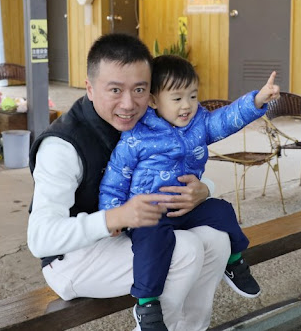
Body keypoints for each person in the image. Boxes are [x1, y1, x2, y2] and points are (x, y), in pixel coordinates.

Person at [28, 33, 231, 331]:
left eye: (139, 89)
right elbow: (40, 239)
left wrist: (205, 190)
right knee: (184, 249)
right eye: (115, 90)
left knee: (216, 239)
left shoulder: (150, 119)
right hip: (72, 258)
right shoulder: (62, 147)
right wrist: (115, 217)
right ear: (90, 88)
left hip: (133, 233)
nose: (129, 104)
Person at [99, 55, 279, 329]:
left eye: (193, 96)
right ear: (154, 100)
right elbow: (115, 179)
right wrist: (111, 215)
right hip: (150, 214)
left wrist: (257, 101)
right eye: (177, 98)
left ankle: (234, 262)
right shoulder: (137, 136)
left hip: (187, 208)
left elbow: (226, 119)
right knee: (152, 244)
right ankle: (146, 304)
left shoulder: (199, 123)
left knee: (222, 211)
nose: (187, 106)